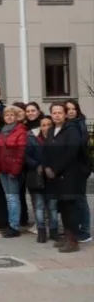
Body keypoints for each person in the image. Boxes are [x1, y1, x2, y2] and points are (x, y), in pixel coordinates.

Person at [44, 102, 86, 252]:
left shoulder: (72, 130)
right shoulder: (50, 130)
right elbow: (46, 151)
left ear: (65, 114)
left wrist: (55, 169)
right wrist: (47, 166)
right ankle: (67, 236)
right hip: (55, 177)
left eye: (60, 113)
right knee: (62, 207)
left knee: (70, 208)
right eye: (54, 113)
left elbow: (71, 153)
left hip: (69, 176)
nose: (57, 115)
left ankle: (73, 241)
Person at [0, 106, 27, 238]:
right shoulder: (2, 131)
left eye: (12, 115)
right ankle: (11, 223)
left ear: (16, 117)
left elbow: (21, 152)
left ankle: (14, 226)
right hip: (2, 169)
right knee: (8, 197)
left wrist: (15, 169)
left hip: (13, 170)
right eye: (7, 115)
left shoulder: (20, 131)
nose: (9, 117)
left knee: (13, 198)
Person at [25, 115, 58, 243]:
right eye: (43, 125)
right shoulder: (32, 139)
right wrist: (36, 165)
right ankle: (41, 231)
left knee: (52, 206)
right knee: (39, 206)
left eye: (49, 125)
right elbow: (26, 156)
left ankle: (54, 231)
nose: (46, 127)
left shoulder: (56, 140)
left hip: (52, 178)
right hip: (37, 178)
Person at [63, 99, 91, 243]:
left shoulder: (78, 125)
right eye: (68, 109)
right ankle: (76, 228)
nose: (71, 111)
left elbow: (79, 148)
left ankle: (85, 231)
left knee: (80, 199)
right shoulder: (67, 125)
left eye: (74, 108)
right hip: (72, 169)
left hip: (79, 168)